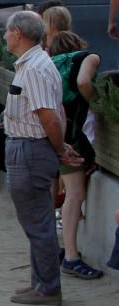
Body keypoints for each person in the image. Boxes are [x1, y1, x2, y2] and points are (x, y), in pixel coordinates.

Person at [2, 10, 83, 306]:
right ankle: (41, 282)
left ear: (19, 33)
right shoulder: (37, 63)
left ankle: (47, 287)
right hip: (30, 147)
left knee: (38, 222)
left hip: (30, 149)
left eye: (8, 31)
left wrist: (60, 148)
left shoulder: (34, 68)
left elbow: (48, 116)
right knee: (37, 220)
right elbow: (54, 112)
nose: (5, 36)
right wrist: (60, 146)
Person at [47, 31, 103, 280]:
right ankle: (71, 255)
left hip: (49, 132)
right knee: (75, 193)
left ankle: (50, 249)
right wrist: (97, 102)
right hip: (72, 134)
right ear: (80, 43)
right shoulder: (88, 57)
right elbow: (83, 83)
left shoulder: (49, 64)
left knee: (52, 188)